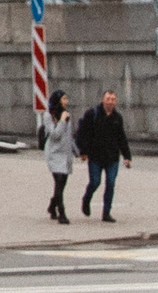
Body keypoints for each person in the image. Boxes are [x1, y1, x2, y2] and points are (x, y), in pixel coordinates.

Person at [77, 87, 133, 222]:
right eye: (108, 99)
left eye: (113, 99)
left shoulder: (117, 118)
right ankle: (86, 198)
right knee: (95, 182)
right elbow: (83, 133)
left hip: (112, 157)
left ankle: (106, 213)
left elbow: (122, 138)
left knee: (111, 183)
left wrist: (127, 157)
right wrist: (83, 152)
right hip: (95, 156)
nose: (110, 102)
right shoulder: (92, 114)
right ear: (102, 100)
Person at [42, 85, 75, 226]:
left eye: (66, 99)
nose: (66, 101)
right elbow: (55, 135)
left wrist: (77, 151)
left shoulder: (67, 114)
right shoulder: (48, 115)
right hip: (54, 154)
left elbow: (69, 136)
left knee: (62, 183)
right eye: (64, 99)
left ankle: (52, 205)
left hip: (65, 154)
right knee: (59, 181)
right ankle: (62, 213)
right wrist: (61, 121)